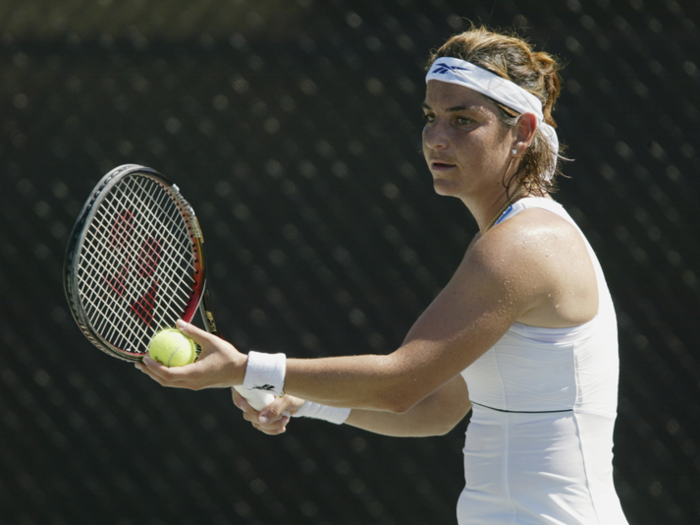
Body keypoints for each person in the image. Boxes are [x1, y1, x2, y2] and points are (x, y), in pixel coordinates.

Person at [136, 25, 629, 525]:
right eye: (430, 117)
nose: (437, 138)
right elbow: (435, 408)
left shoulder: (523, 245)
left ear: (521, 131)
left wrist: (247, 369)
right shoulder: (517, 237)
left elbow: (401, 383)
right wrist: (302, 401)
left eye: (462, 121)